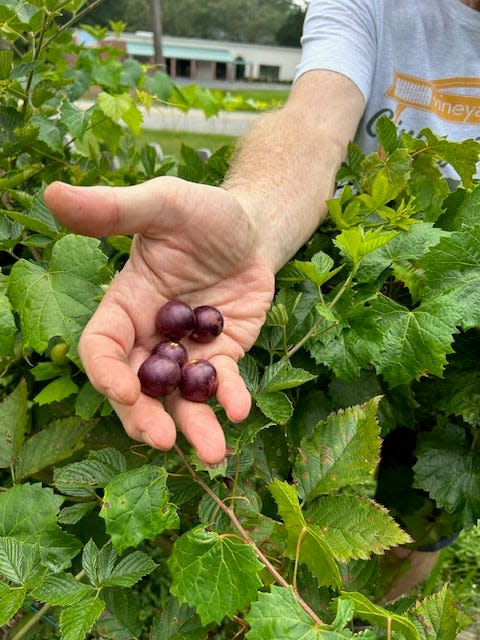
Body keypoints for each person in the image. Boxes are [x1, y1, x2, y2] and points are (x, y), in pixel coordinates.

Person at [44, 0, 480, 600]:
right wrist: (252, 216)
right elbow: (313, 125)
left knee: (430, 526)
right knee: (364, 526)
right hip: (374, 314)